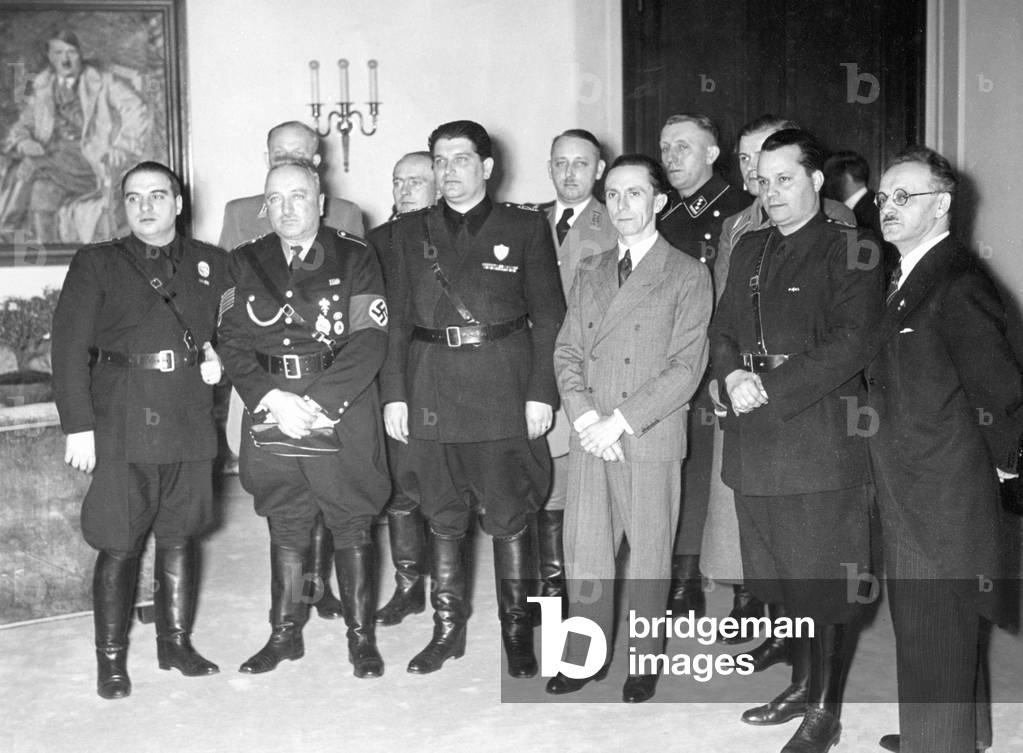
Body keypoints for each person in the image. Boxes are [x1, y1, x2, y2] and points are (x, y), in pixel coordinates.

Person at [709, 129, 882, 753]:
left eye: (786, 178)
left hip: (817, 438)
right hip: (753, 433)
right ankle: (803, 684)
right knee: (779, 577)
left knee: (825, 584)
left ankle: (825, 713)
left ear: (816, 180)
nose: (770, 190)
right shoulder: (750, 247)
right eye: (763, 179)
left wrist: (769, 388)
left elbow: (852, 343)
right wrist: (731, 375)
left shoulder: (854, 248)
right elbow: (722, 327)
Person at [379, 120, 564, 678]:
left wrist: (540, 393)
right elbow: (394, 324)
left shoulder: (525, 227)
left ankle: (515, 634)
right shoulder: (407, 234)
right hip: (430, 384)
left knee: (509, 516)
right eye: (440, 160)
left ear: (487, 167)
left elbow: (550, 316)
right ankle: (447, 629)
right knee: (442, 516)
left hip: (501, 387)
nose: (449, 170)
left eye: (461, 159)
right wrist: (395, 395)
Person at [864, 147, 1022, 753]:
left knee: (933, 626)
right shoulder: (910, 271)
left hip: (940, 492)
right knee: (943, 629)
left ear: (943, 205)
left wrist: (1005, 477)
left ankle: (938, 744)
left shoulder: (955, 281)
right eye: (883, 197)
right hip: (917, 480)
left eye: (905, 196)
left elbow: (1003, 393)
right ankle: (957, 735)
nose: (888, 208)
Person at [52, 161, 226, 699]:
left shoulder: (213, 264)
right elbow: (67, 349)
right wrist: (78, 427)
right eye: (134, 198)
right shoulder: (98, 263)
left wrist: (220, 356)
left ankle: (175, 644)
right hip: (121, 417)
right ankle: (111, 659)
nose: (146, 206)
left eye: (157, 195)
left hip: (188, 415)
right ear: (123, 207)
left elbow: (234, 328)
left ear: (178, 202)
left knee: (181, 533)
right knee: (119, 540)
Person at [547, 154, 712, 703]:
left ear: (659, 201)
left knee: (647, 557)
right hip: (591, 434)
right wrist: (586, 417)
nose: (621, 205)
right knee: (585, 552)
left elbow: (685, 369)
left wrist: (618, 421)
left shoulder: (687, 273)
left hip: (647, 435)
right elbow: (567, 350)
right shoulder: (592, 268)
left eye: (634, 194)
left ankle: (643, 662)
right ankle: (583, 657)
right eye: (613, 194)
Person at [217, 160, 390, 678]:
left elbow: (370, 338)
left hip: (339, 408)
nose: (288, 208)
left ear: (320, 201)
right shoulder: (243, 261)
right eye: (276, 198)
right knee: (287, 527)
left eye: (298, 196)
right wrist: (269, 396)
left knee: (350, 524)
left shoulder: (357, 255)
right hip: (272, 410)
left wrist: (316, 405)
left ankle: (361, 638)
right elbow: (230, 340)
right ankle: (285, 633)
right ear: (265, 206)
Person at [656, 113, 752, 617]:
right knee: (686, 471)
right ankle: (685, 578)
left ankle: (746, 591)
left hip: (725, 364)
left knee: (734, 475)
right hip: (676, 363)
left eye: (683, 148)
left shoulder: (741, 210)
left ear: (713, 154)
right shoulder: (664, 217)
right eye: (665, 148)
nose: (671, 157)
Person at [536, 128, 618, 610]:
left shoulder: (615, 223)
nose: (570, 173)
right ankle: (548, 590)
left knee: (582, 496)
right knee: (543, 488)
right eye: (560, 163)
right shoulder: (528, 224)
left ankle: (579, 596)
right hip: (535, 372)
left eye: (580, 163)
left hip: (589, 377)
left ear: (599, 168)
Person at [367, 151, 437, 627]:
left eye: (416, 180)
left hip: (449, 375)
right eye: (398, 181)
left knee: (450, 486)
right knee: (399, 486)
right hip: (391, 376)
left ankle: (454, 594)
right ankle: (409, 585)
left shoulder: (458, 237)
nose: (405, 188)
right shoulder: (373, 243)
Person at [0, 30, 149, 244]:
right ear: (50, 56)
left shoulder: (102, 82)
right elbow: (23, 124)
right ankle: (48, 255)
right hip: (52, 163)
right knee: (42, 189)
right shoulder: (43, 86)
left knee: (30, 165)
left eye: (71, 52)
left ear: (80, 54)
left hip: (88, 162)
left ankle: (7, 226)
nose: (65, 59)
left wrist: (122, 146)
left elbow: (137, 109)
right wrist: (24, 141)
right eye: (59, 52)